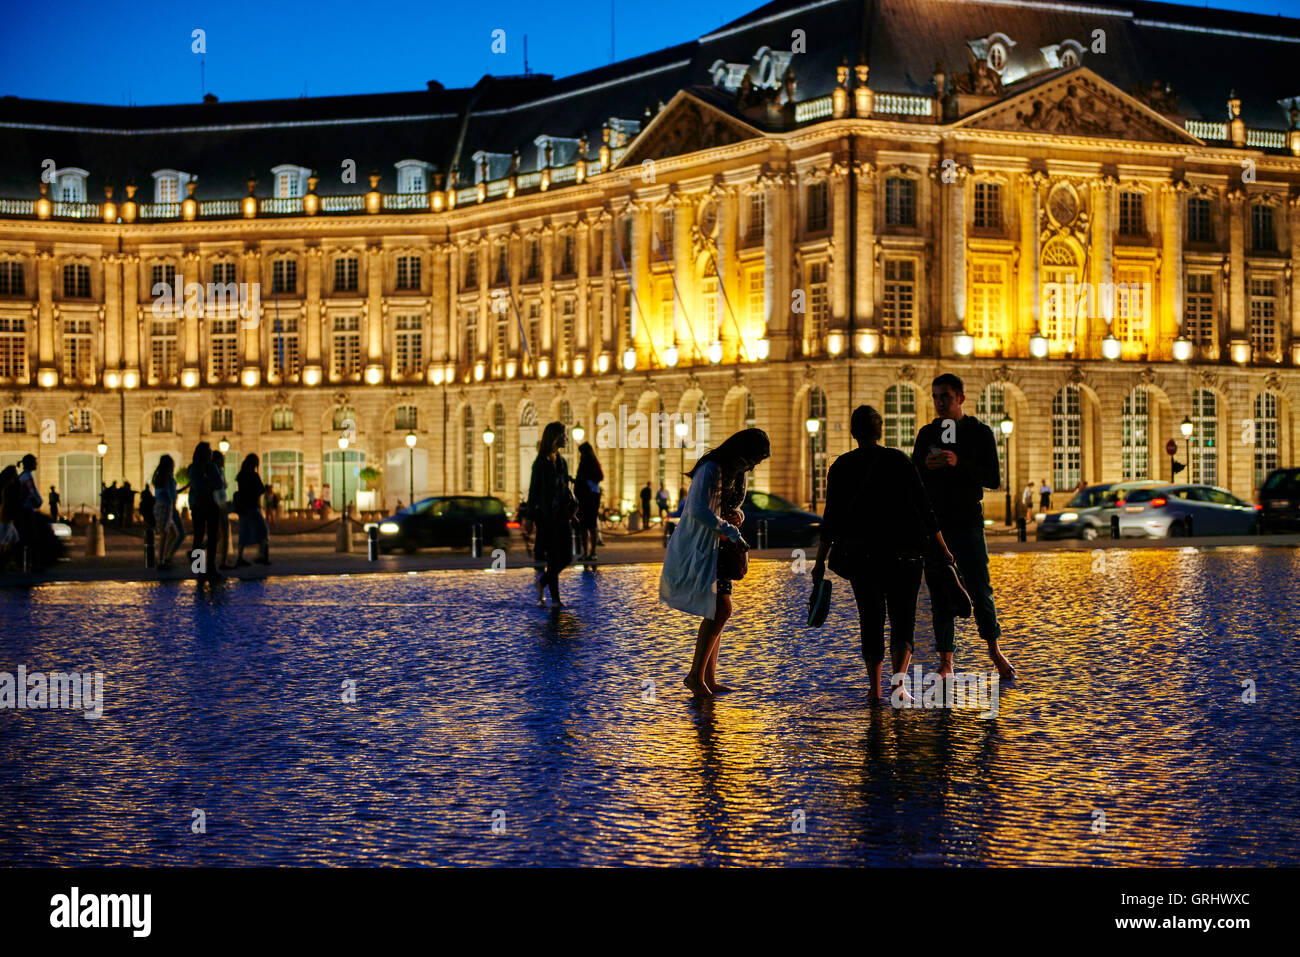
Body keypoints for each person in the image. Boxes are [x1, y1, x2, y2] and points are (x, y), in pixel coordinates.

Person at [813, 406, 954, 702]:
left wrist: (819, 560)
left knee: (871, 618)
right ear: (881, 432)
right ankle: (898, 687)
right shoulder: (898, 460)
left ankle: (875, 688)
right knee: (904, 620)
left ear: (853, 433)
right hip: (905, 554)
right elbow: (924, 507)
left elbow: (832, 517)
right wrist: (942, 547)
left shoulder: (841, 466)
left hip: (863, 558)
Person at [911, 373, 1016, 680]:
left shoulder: (979, 432)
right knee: (940, 592)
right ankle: (946, 661)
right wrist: (924, 467)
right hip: (935, 527)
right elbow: (913, 481)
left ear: (961, 398)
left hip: (968, 521)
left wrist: (960, 463)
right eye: (935, 397)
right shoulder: (926, 434)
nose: (939, 403)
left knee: (981, 588)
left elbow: (993, 478)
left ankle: (995, 651)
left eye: (945, 396)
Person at [660, 427, 770, 697]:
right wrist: (731, 530)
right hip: (704, 546)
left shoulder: (739, 471)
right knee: (721, 609)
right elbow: (697, 509)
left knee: (716, 610)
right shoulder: (711, 468)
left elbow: (730, 506)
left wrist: (738, 516)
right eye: (754, 459)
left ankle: (707, 677)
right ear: (742, 452)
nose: (754, 466)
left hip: (721, 546)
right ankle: (695, 675)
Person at [527, 422, 577, 607]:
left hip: (562, 515)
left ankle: (542, 583)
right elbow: (533, 491)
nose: (566, 438)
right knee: (553, 558)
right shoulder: (540, 464)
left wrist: (572, 510)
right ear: (555, 437)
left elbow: (564, 489)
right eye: (564, 435)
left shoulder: (561, 461)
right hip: (547, 517)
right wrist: (530, 518)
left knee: (566, 557)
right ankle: (555, 599)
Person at [187, 442, 224, 581]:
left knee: (213, 537)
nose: (211, 453)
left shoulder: (212, 467)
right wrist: (209, 483)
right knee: (198, 536)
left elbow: (219, 484)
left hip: (211, 505)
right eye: (208, 451)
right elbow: (198, 487)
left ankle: (211, 567)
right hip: (199, 506)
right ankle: (199, 570)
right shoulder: (194, 468)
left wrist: (205, 482)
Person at [234, 454, 271, 566]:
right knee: (263, 530)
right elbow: (260, 489)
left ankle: (240, 557)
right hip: (252, 507)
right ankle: (262, 555)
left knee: (243, 532)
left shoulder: (241, 475)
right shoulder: (253, 475)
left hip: (243, 508)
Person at [574, 441, 603, 562]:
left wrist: (585, 480)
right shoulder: (589, 461)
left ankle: (591, 552)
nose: (581, 455)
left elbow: (599, 477)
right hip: (587, 496)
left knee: (589, 525)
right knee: (586, 525)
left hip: (589, 496)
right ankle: (588, 552)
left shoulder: (590, 463)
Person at [152, 456, 181, 570]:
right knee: (165, 534)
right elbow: (171, 494)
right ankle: (161, 561)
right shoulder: (167, 477)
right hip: (165, 506)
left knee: (173, 533)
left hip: (161, 505)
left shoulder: (160, 476)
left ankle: (164, 558)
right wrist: (174, 502)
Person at [212, 451, 232, 570]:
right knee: (222, 534)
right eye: (222, 459)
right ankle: (222, 562)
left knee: (218, 535)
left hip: (219, 502)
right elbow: (220, 485)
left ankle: (203, 564)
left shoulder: (218, 471)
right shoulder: (216, 470)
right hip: (219, 503)